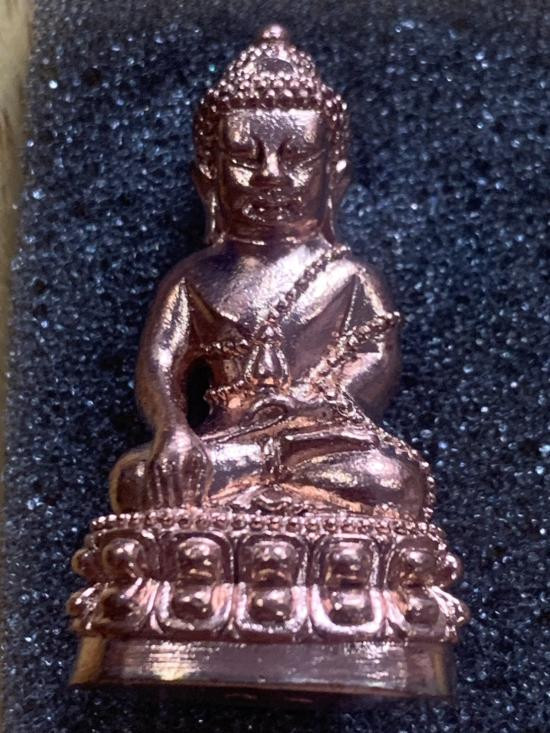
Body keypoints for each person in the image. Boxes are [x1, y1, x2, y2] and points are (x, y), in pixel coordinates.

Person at [110, 25, 433, 519]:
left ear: (334, 177)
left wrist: (313, 402)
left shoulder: (348, 277)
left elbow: (375, 358)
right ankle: (267, 495)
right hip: (228, 443)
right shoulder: (195, 279)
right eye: (244, 157)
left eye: (297, 156)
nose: (270, 175)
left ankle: (256, 502)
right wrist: (172, 429)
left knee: (391, 479)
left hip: (321, 442)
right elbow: (158, 364)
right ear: (208, 177)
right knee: (136, 478)